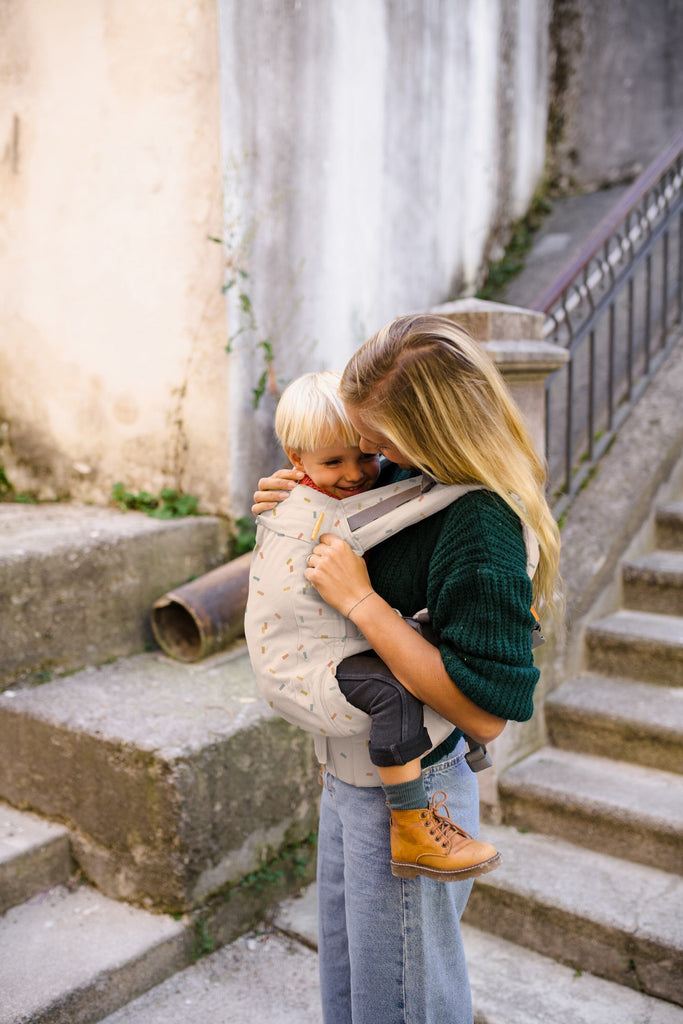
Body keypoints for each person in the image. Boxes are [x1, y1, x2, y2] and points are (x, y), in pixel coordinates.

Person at [252, 314, 561, 1024]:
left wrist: (361, 602)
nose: (366, 455)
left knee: (400, 1003)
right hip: (350, 771)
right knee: (354, 984)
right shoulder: (409, 476)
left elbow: (485, 712)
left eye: (378, 441)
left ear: (433, 434)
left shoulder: (479, 526)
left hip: (413, 789)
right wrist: (298, 501)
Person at [246, 369, 501, 882]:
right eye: (333, 461)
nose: (357, 472)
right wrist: (465, 487)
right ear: (297, 461)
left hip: (333, 656)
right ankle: (410, 822)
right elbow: (388, 511)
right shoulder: (313, 508)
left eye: (368, 453)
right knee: (394, 693)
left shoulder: (324, 486)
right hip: (306, 667)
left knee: (418, 654)